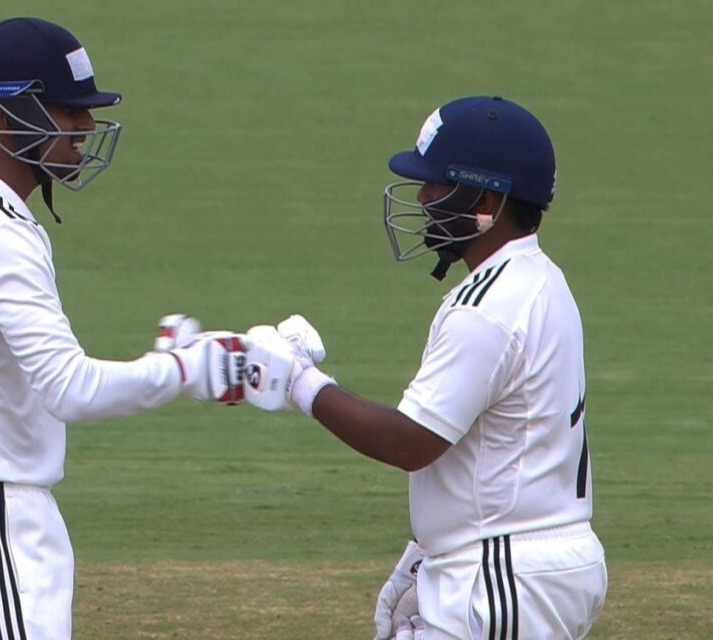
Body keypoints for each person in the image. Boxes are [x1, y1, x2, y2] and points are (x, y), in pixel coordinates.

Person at [0, 18, 246, 640]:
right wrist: (189, 368)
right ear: (4, 115)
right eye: (67, 110)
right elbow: (70, 389)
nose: (85, 128)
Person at [244, 96, 607, 638]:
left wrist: (299, 381)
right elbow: (498, 446)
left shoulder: (486, 308)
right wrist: (432, 548)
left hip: (505, 572)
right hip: (521, 561)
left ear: (486, 201)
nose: (423, 198)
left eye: (438, 185)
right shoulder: (539, 279)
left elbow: (410, 442)